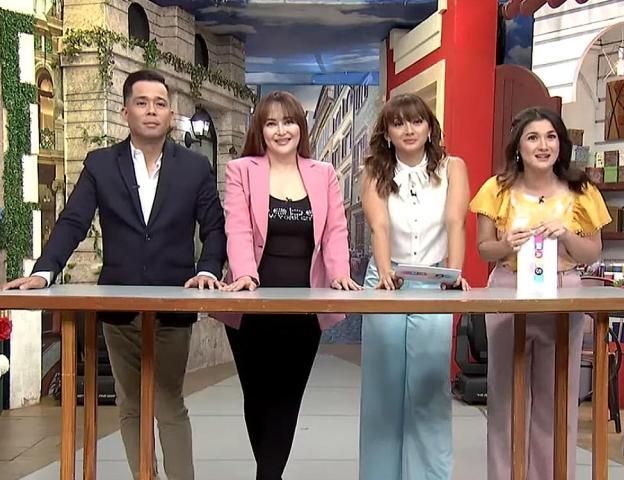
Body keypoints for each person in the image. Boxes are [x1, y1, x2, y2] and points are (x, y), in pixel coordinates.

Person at [3, 69, 227, 480]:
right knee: (130, 405)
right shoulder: (101, 164)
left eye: (160, 103)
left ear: (170, 114)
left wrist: (209, 270)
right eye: (142, 103)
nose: (151, 110)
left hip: (173, 308)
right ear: (126, 112)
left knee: (168, 403)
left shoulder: (195, 168)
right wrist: (44, 272)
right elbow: (73, 221)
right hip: (118, 309)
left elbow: (214, 227)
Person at [215, 90, 361, 480]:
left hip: (304, 308)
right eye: (272, 123)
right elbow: (238, 227)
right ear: (260, 130)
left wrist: (339, 273)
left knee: (286, 398)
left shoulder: (324, 173)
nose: (281, 131)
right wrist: (244, 274)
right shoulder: (241, 170)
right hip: (250, 305)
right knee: (257, 396)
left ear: (301, 127)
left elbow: (335, 230)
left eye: (289, 122)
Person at [469, 106, 611, 480]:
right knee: (505, 400)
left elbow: (592, 252)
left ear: (561, 144)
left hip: (562, 294)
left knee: (556, 400)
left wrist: (566, 235)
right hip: (508, 291)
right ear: (518, 146)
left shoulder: (583, 191)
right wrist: (506, 244)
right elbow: (483, 249)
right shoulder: (496, 189)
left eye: (550, 137)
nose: (542, 145)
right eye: (533, 137)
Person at [359, 93, 470, 480]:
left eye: (416, 121)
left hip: (434, 281)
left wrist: (453, 274)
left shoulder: (453, 167)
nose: (408, 129)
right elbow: (379, 226)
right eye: (398, 123)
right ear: (387, 132)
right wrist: (385, 272)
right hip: (386, 281)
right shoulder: (374, 170)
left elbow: (456, 222)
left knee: (429, 389)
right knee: (383, 390)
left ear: (429, 127)